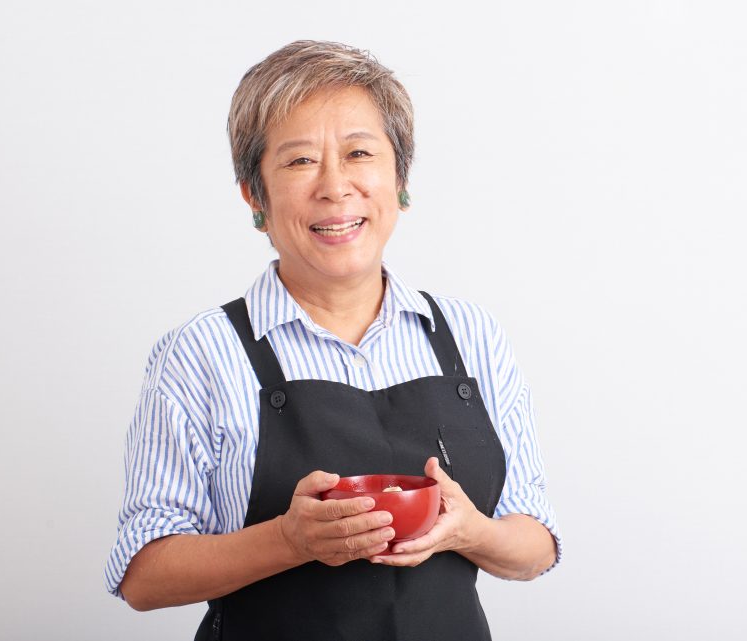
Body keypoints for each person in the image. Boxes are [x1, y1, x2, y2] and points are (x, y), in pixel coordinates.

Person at [103, 39, 561, 641]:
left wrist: (469, 530)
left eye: (360, 153)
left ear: (399, 179)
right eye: (298, 162)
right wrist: (290, 540)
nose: (336, 187)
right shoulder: (200, 353)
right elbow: (144, 575)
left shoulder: (469, 335)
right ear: (254, 196)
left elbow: (535, 547)